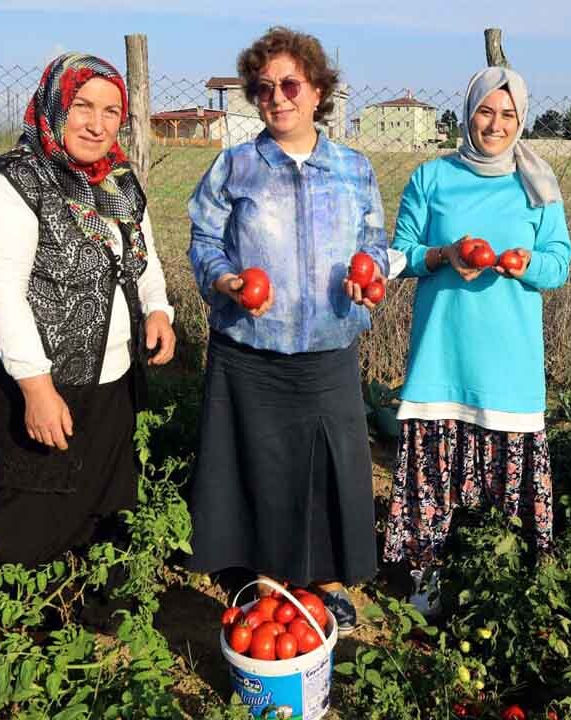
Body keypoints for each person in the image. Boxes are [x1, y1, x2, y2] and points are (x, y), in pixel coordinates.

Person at [0, 53, 176, 567]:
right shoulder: (8, 185)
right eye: (83, 105)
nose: (97, 123)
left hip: (108, 375)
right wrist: (36, 388)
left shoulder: (117, 182)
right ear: (54, 106)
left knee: (90, 499)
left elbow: (142, 252)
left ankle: (68, 603)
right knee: (22, 505)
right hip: (24, 381)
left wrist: (157, 308)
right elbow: (1, 291)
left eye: (112, 111)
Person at [185, 27, 387, 634]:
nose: (278, 97)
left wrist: (369, 274)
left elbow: (373, 242)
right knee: (261, 466)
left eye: (291, 84)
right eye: (264, 87)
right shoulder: (236, 165)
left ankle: (327, 585)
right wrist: (222, 280)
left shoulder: (353, 168)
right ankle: (269, 581)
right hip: (251, 347)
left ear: (318, 90)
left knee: (330, 466)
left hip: (327, 344)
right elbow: (203, 239)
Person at [382, 66, 571, 610]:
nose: (495, 124)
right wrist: (442, 256)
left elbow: (559, 264)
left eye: (508, 114)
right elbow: (398, 255)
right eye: (486, 111)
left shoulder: (538, 185)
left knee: (504, 476)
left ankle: (501, 583)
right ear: (467, 113)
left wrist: (525, 264)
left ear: (522, 120)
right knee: (431, 475)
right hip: (442, 355)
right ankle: (427, 581)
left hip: (508, 362)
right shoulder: (431, 178)